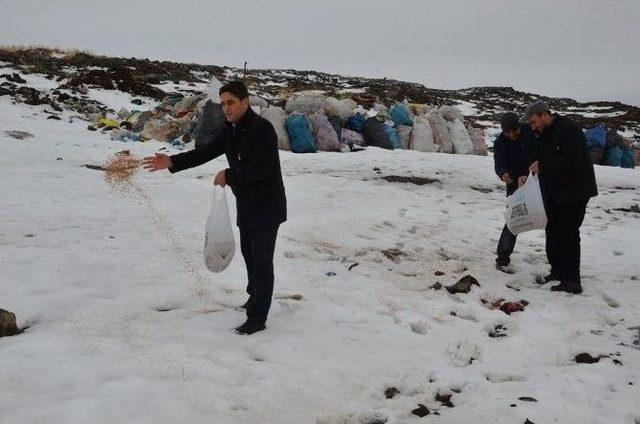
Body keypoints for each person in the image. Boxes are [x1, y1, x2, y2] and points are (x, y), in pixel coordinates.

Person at [142, 81, 287, 334]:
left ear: (245, 101)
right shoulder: (229, 130)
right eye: (223, 104)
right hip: (247, 203)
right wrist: (172, 162)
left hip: (267, 205)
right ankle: (254, 297)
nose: (226, 109)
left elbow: (261, 169)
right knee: (250, 255)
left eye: (231, 103)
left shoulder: (262, 129)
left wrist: (228, 175)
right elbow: (205, 153)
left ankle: (257, 318)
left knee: (262, 261)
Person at [522, 101, 597, 294]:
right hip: (555, 192)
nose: (533, 126)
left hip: (575, 192)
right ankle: (557, 271)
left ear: (544, 114)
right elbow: (544, 158)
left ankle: (572, 281)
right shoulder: (544, 133)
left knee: (568, 233)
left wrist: (544, 166)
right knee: (553, 230)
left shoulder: (569, 129)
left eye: (533, 121)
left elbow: (572, 160)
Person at [493, 112, 537, 270]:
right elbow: (499, 163)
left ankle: (559, 260)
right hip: (513, 184)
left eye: (514, 130)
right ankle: (503, 255)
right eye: (507, 132)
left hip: (536, 180)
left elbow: (542, 154)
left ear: (520, 126)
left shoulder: (532, 133)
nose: (511, 135)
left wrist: (529, 174)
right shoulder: (500, 142)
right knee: (513, 218)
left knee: (549, 216)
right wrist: (503, 174)